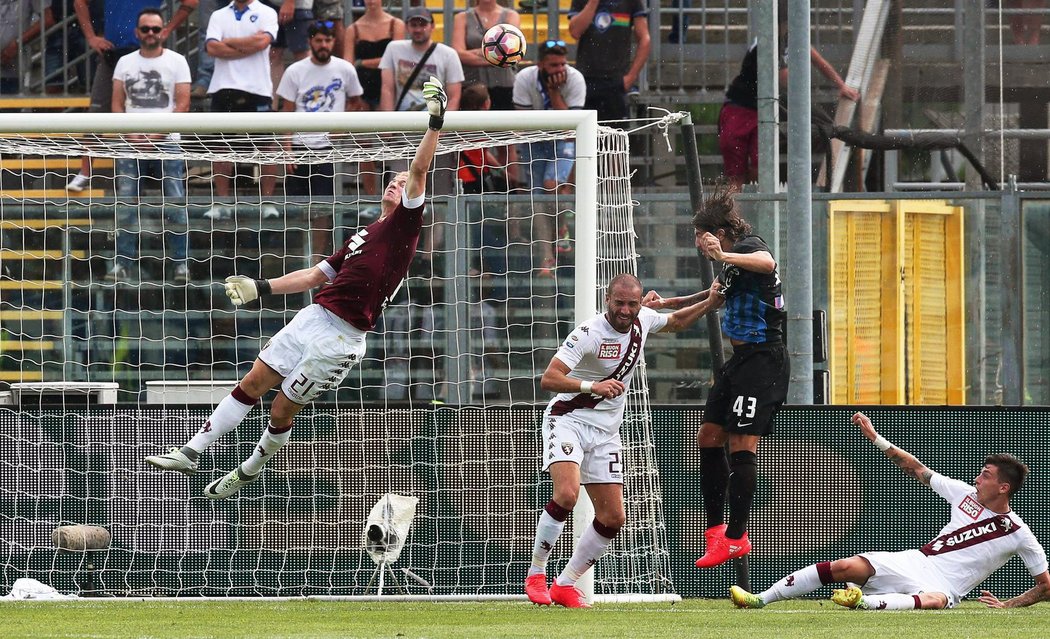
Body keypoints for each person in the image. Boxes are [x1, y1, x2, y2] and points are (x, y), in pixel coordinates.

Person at [144, 76, 449, 500]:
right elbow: (313, 275)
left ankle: (250, 469)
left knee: (281, 407)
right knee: (253, 381)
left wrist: (434, 125)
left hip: (342, 339)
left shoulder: (404, 227)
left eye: (400, 183)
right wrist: (260, 286)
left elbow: (419, 169)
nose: (395, 183)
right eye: (391, 180)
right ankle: (192, 451)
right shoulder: (364, 232)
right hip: (313, 317)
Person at [525, 273, 722, 608]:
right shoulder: (587, 333)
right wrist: (592, 387)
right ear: (607, 299)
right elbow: (550, 378)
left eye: (633, 303)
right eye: (620, 303)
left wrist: (709, 303)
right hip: (568, 419)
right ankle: (536, 574)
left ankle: (565, 583)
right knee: (567, 494)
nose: (626, 310)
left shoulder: (642, 320)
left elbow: (675, 321)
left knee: (613, 518)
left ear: (639, 301)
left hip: (605, 433)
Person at [731, 411, 1050, 611]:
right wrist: (875, 438)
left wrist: (1010, 605)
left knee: (934, 601)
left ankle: (862, 602)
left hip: (945, 586)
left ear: (1004, 488)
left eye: (986, 476)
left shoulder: (1018, 532)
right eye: (980, 472)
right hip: (915, 560)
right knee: (844, 566)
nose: (977, 479)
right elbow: (916, 468)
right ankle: (760, 598)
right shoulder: (963, 493)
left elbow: (1046, 585)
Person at [642, 182, 788, 569]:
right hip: (740, 362)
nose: (695, 242)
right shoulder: (731, 263)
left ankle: (738, 537)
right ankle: (716, 533)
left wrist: (723, 253)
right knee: (708, 437)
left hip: (763, 361)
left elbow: (769, 263)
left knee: (741, 445)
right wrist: (665, 303)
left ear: (719, 233)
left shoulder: (748, 248)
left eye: (699, 235)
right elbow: (711, 297)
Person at [67, 0, 198, 191]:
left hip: (147, 49)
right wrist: (91, 37)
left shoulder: (173, 59)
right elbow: (79, 2)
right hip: (112, 53)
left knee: (156, 103)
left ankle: (87, 173)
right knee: (96, 115)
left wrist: (168, 29)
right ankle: (85, 172)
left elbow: (192, 2)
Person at [719, 14, 859, 189]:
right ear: (783, 21)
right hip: (738, 109)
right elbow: (783, 78)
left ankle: (759, 211)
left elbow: (817, 60)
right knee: (736, 175)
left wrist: (841, 85)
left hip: (763, 112)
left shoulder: (791, 37)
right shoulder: (767, 42)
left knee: (760, 169)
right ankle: (733, 213)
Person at [108, 8, 192, 283]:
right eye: (146, 29)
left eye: (156, 28)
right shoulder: (124, 63)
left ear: (163, 31)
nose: (151, 33)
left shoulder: (178, 61)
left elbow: (183, 105)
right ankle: (122, 263)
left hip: (167, 141)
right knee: (127, 203)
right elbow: (117, 104)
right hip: (130, 141)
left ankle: (180, 263)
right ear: (137, 33)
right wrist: (132, 135)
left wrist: (154, 135)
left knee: (176, 202)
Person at [276, 19, 365, 258]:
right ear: (310, 42)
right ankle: (296, 256)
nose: (323, 45)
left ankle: (315, 256)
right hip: (299, 146)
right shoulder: (295, 70)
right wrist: (287, 149)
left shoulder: (345, 69)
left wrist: (342, 125)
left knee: (323, 208)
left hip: (327, 149)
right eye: (318, 40)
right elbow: (286, 112)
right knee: (298, 207)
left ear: (334, 42)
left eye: (327, 40)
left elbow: (357, 102)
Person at [512, 39, 585, 277]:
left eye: (562, 63)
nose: (559, 70)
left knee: (553, 184)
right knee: (538, 201)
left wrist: (554, 92)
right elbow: (522, 125)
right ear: (541, 64)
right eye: (553, 65)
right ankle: (546, 259)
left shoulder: (575, 79)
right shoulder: (525, 78)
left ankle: (562, 230)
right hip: (534, 140)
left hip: (563, 139)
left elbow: (571, 128)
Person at [202, 0, 280, 220]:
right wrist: (247, 45)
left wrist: (228, 43)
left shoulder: (267, 12)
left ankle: (267, 203)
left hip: (258, 89)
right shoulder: (218, 15)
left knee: (266, 147)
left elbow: (262, 43)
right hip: (223, 87)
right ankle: (222, 203)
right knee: (220, 148)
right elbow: (212, 47)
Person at [345, 0, 404, 195]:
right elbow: (348, 66)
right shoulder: (353, 29)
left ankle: (394, 195)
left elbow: (395, 60)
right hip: (362, 92)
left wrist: (362, 62)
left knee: (391, 146)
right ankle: (371, 199)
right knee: (365, 150)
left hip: (388, 90)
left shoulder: (396, 25)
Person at [567, 0, 650, 124]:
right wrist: (593, 3)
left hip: (616, 81)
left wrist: (631, 77)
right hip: (585, 79)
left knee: (614, 138)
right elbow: (575, 31)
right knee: (583, 134)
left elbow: (645, 39)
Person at [379, 7, 463, 114]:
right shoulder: (393, 49)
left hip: (434, 120)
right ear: (406, 27)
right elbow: (387, 90)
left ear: (432, 26)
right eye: (414, 25)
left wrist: (443, 126)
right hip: (401, 121)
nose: (418, 29)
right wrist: (388, 125)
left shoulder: (449, 54)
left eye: (423, 25)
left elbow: (454, 97)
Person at [451, 0, 520, 111]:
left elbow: (510, 50)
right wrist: (497, 56)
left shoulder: (511, 15)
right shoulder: (462, 17)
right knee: (471, 127)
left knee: (504, 126)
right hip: (471, 88)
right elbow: (458, 54)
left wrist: (474, 52)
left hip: (504, 86)